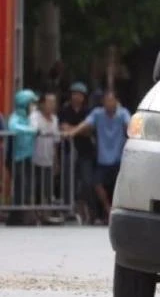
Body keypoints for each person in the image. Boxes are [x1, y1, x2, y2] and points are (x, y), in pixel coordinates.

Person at [65, 90, 131, 223]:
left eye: (111, 101)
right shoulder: (98, 113)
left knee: (118, 187)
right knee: (96, 183)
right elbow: (85, 124)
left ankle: (118, 213)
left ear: (116, 102)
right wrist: (73, 132)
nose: (109, 104)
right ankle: (108, 210)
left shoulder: (123, 113)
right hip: (103, 158)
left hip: (119, 158)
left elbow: (130, 125)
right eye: (106, 101)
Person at [59, 82, 96, 223]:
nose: (76, 97)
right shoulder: (65, 110)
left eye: (79, 94)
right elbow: (63, 127)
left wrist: (72, 130)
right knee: (68, 180)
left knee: (87, 181)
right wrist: (79, 129)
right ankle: (68, 209)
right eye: (74, 94)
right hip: (68, 151)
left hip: (85, 151)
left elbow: (89, 130)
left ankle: (86, 206)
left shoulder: (88, 111)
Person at [6, 89, 40, 225]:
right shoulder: (16, 117)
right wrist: (32, 131)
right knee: (20, 187)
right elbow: (13, 127)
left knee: (26, 188)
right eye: (32, 103)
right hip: (17, 158)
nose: (34, 106)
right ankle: (15, 218)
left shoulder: (27, 118)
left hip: (27, 157)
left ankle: (19, 217)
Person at [30, 92, 62, 222]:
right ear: (42, 103)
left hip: (48, 158)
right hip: (35, 158)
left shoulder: (55, 119)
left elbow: (56, 142)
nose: (52, 105)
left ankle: (47, 213)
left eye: (54, 102)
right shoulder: (35, 116)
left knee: (49, 187)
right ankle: (37, 213)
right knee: (37, 186)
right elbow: (34, 129)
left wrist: (56, 161)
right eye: (49, 102)